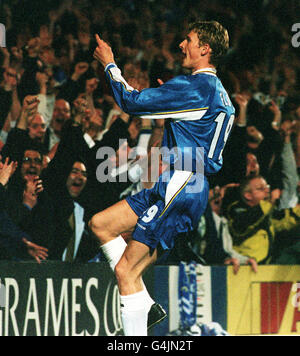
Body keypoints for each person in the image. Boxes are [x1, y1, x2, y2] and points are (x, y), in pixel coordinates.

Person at [90, 20, 235, 336]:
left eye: (189, 39)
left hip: (181, 183)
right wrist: (170, 103)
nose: (182, 44)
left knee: (126, 270)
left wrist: (109, 63)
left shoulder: (196, 87)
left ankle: (136, 328)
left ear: (204, 48)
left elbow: (132, 102)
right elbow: (195, 130)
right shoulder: (219, 95)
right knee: (100, 224)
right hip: (181, 183)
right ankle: (146, 304)